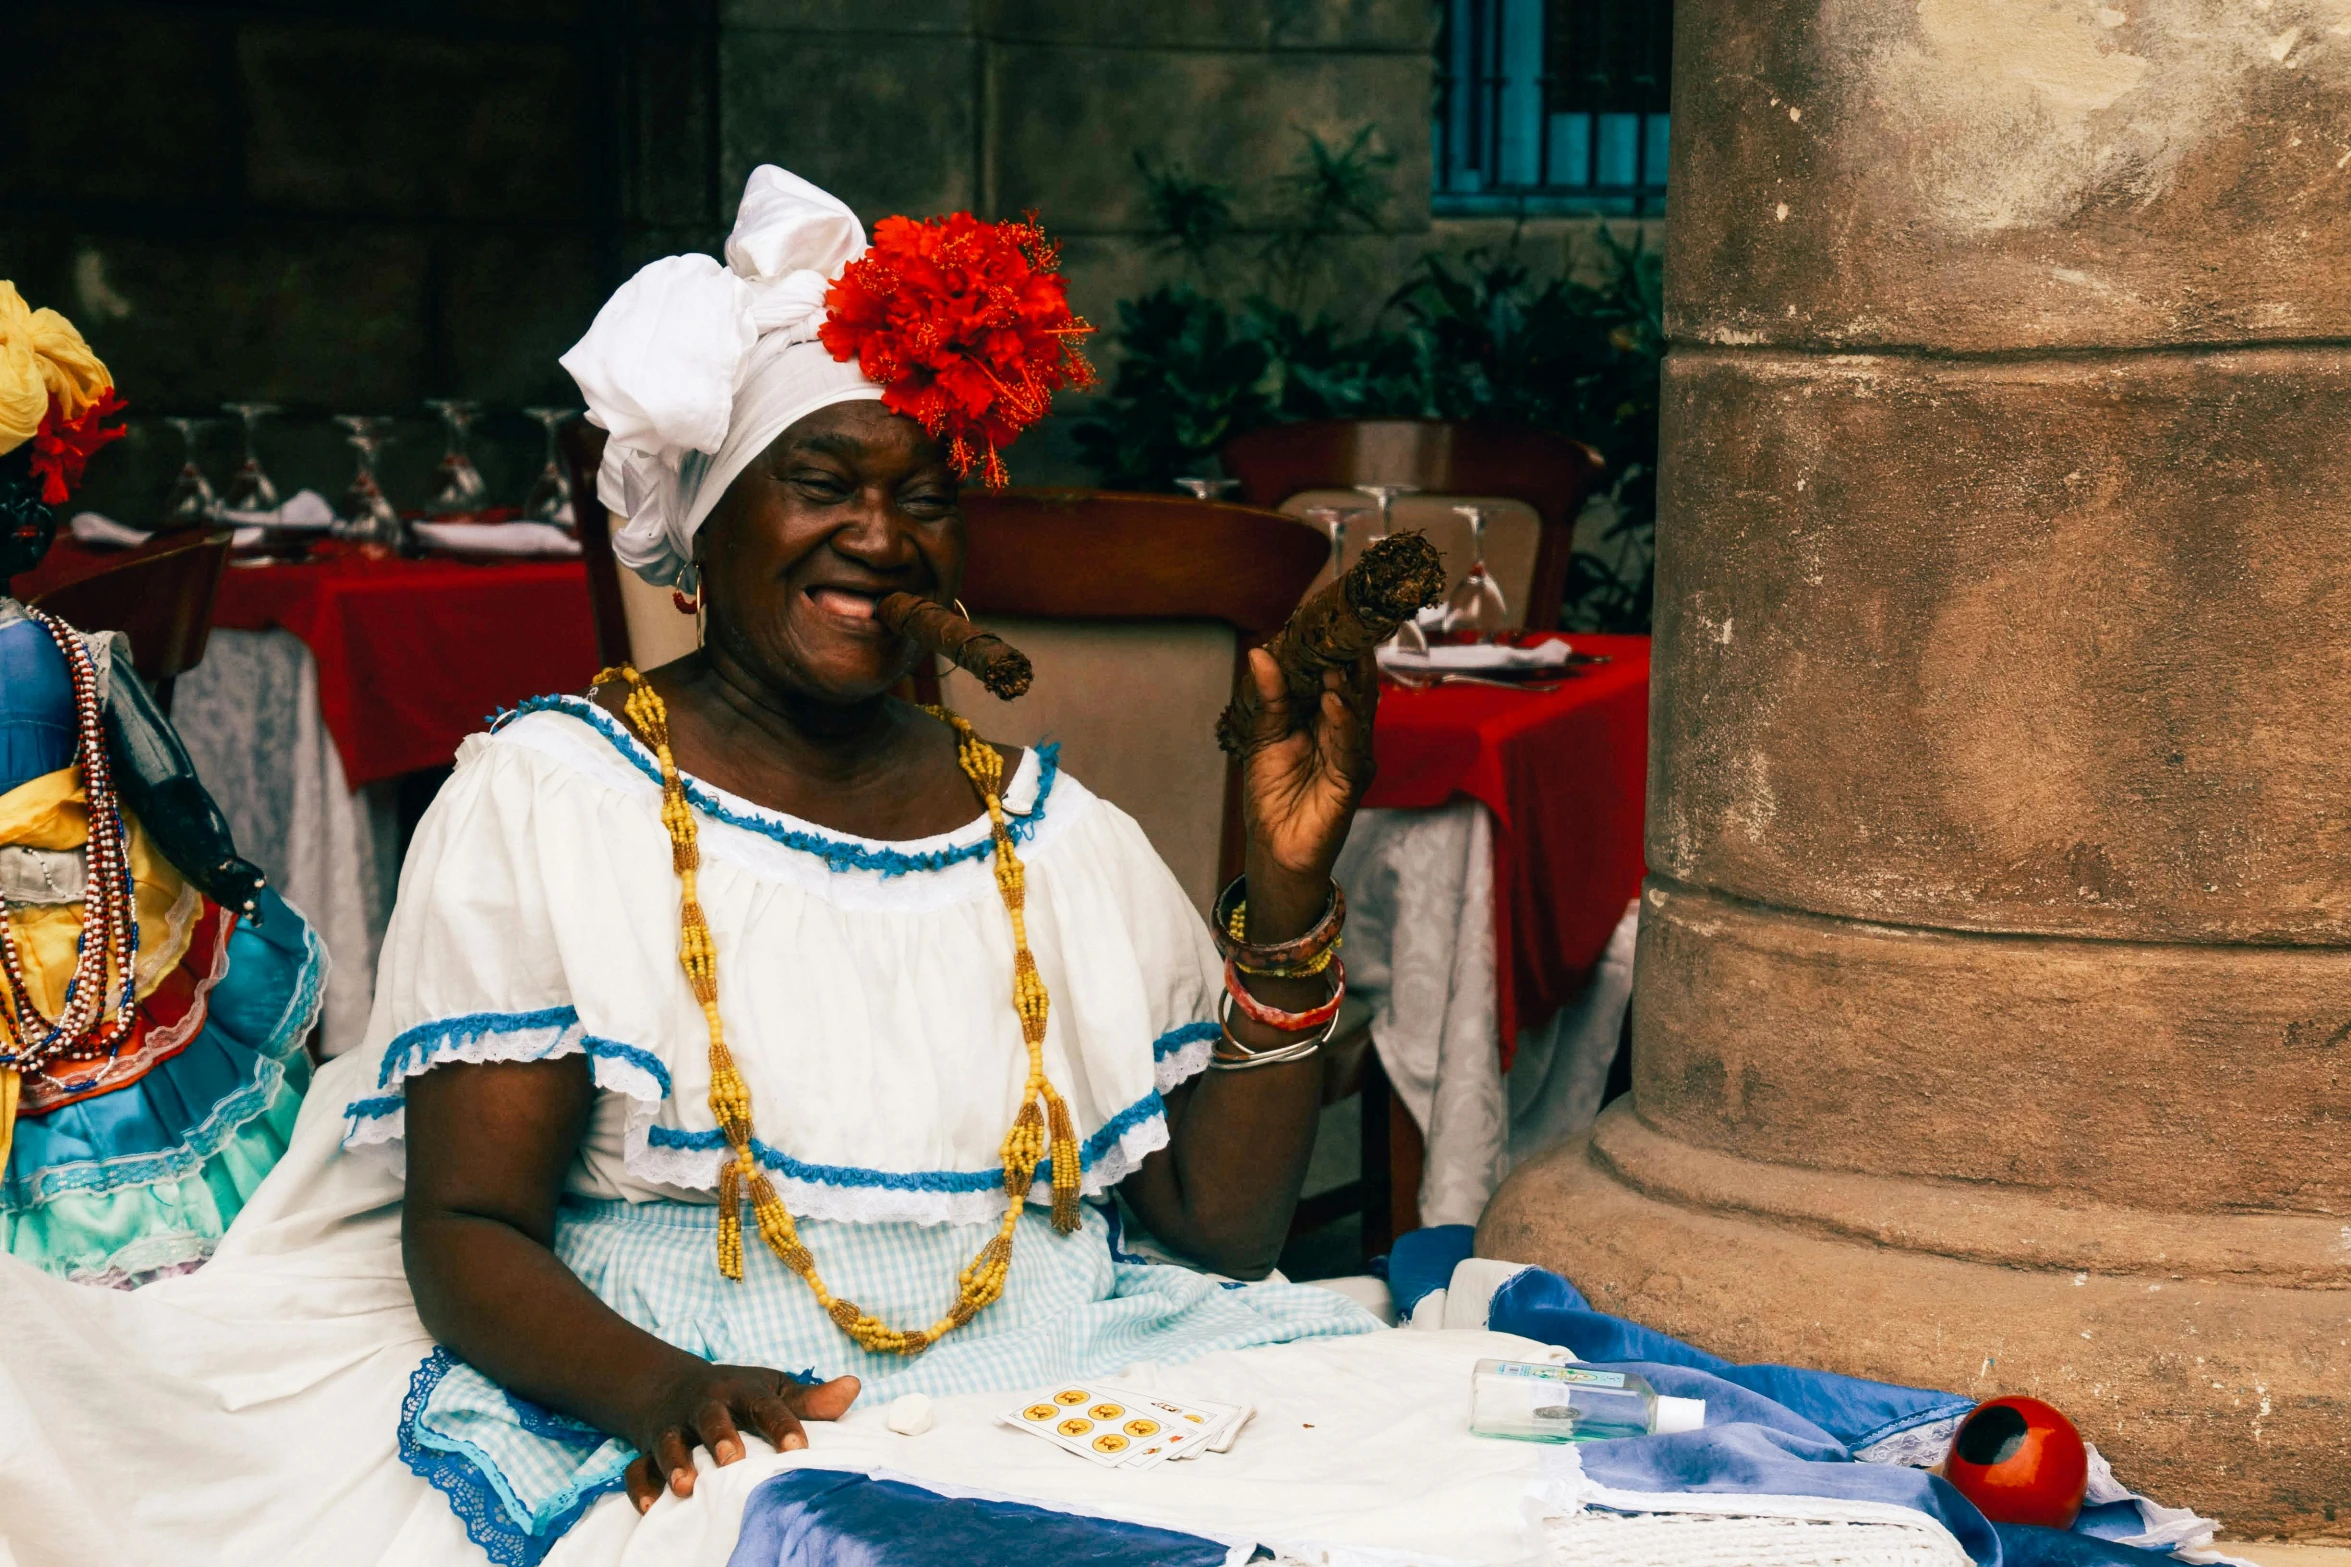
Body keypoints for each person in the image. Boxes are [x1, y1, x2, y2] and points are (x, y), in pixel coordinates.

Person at [0, 169, 1382, 1567]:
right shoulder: (555, 799)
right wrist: (667, 1390)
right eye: (821, 482)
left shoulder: (1058, 839)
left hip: (1055, 1374)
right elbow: (471, 1226)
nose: (881, 536)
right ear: (699, 531)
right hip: (673, 1394)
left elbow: (1217, 1232)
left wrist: (1282, 900)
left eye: (924, 497)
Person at [0, 283, 325, 1288]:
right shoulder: (58, 648)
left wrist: (226, 872)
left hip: (78, 940)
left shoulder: (67, 653)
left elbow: (160, 778)